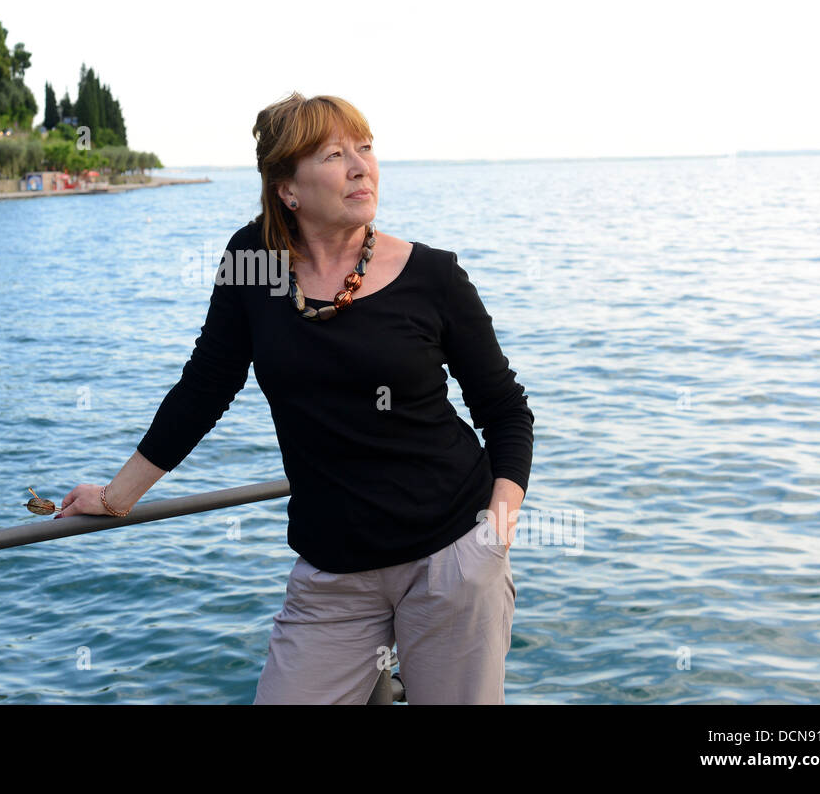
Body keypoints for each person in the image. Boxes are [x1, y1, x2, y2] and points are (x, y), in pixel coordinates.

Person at [56, 92, 535, 704]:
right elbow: (206, 386)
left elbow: (505, 411)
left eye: (365, 148)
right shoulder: (252, 261)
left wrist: (494, 536)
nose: (361, 166)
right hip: (332, 572)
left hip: (452, 559)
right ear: (288, 190)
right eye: (335, 154)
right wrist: (117, 497)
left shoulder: (433, 276)